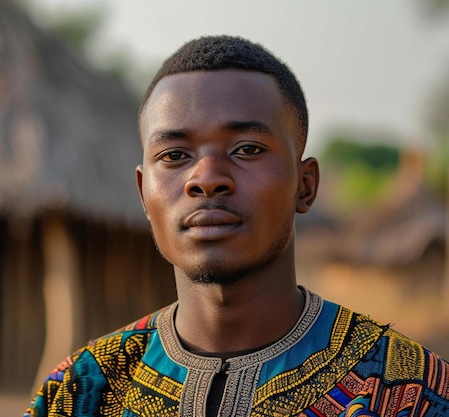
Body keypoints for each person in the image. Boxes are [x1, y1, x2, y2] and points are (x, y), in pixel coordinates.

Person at [23, 35, 449, 417]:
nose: (206, 177)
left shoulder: (410, 392)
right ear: (142, 193)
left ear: (305, 186)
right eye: (174, 155)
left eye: (246, 149)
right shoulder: (81, 392)